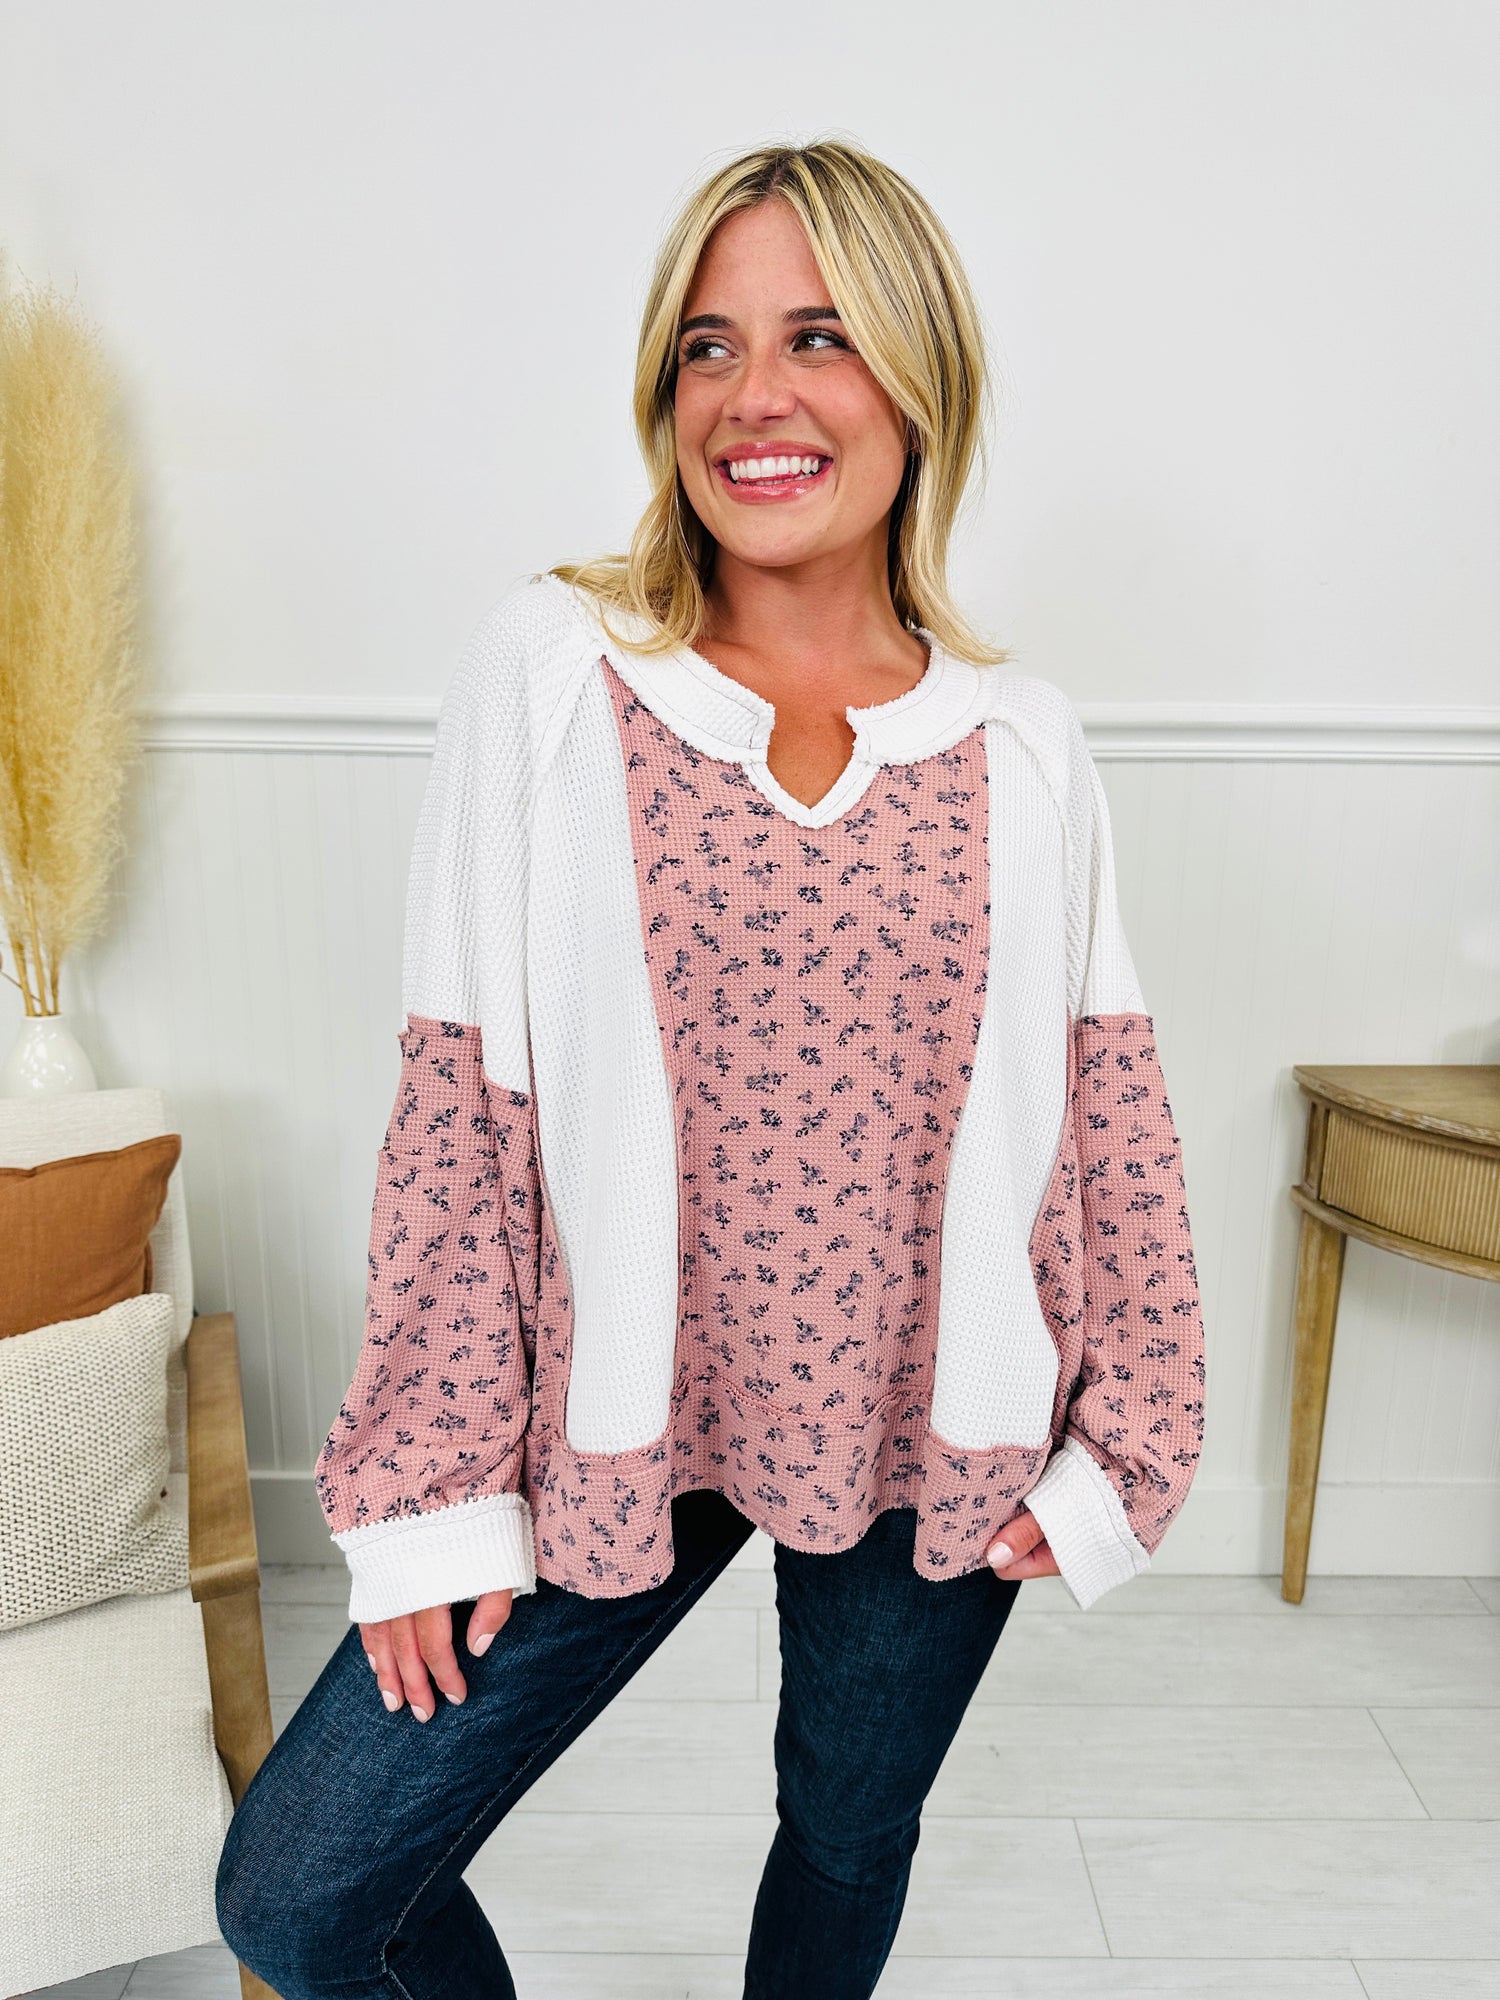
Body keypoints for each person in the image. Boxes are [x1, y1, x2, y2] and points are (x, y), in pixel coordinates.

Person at [217, 137, 1206, 1999]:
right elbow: (460, 1106)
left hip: (922, 1427)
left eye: (819, 336)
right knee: (303, 1892)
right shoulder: (553, 669)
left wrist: (1124, 1445)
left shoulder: (1024, 743)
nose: (754, 396)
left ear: (920, 379)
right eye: (707, 346)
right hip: (611, 1418)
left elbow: (1107, 1117)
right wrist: (431, 1488)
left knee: (846, 1833)